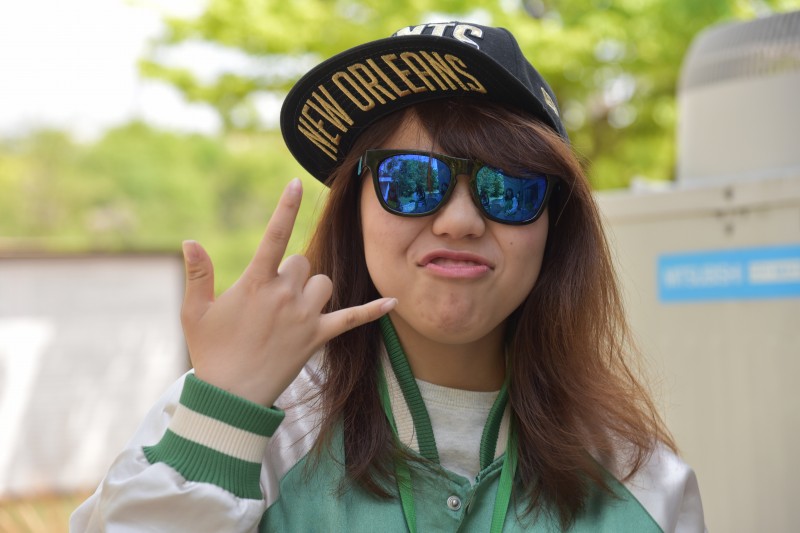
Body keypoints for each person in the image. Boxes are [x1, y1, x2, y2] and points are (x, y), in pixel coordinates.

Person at [71, 21, 706, 532]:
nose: (460, 221)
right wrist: (223, 415)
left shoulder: (643, 482)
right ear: (355, 211)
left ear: (555, 227)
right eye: (411, 180)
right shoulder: (248, 413)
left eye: (509, 188)